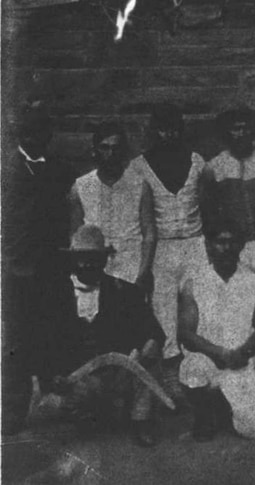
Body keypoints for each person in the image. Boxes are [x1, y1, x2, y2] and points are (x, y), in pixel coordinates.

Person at [1, 106, 76, 435]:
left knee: (54, 336)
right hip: (17, 273)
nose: (35, 140)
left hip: (52, 270)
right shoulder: (6, 168)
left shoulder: (60, 170)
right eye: (29, 134)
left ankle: (56, 404)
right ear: (20, 136)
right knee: (17, 342)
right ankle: (13, 412)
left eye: (42, 133)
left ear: (49, 136)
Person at [56, 225, 165, 447]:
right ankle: (91, 414)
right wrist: (56, 374)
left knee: (147, 363)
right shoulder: (56, 295)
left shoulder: (125, 291)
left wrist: (147, 347)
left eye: (94, 258)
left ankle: (140, 421)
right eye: (81, 258)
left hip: (119, 372)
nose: (87, 264)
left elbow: (154, 332)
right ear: (72, 259)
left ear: (105, 260)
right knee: (64, 405)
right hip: (78, 376)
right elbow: (46, 342)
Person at [132, 103, 209, 401]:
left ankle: (196, 373)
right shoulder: (140, 166)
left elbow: (206, 205)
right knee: (163, 309)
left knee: (196, 307)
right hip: (162, 246)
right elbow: (142, 216)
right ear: (154, 131)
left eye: (174, 128)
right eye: (163, 129)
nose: (169, 134)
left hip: (195, 243)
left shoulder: (197, 161)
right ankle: (170, 374)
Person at [177, 219, 255, 440]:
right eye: (220, 242)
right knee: (192, 368)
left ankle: (224, 406)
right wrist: (220, 353)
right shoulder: (194, 282)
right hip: (209, 360)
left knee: (254, 430)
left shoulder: (254, 281)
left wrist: (245, 356)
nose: (226, 248)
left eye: (232, 242)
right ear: (208, 245)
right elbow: (186, 334)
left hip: (241, 362)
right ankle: (205, 414)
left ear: (241, 245)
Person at [201, 107, 255, 307]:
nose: (241, 133)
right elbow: (208, 213)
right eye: (236, 129)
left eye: (246, 128)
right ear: (227, 132)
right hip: (235, 249)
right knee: (243, 306)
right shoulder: (215, 167)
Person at [70, 122, 156, 288]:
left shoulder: (140, 186)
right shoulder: (80, 187)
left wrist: (142, 273)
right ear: (95, 150)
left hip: (130, 269)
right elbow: (75, 234)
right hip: (93, 270)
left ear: (123, 152)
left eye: (116, 148)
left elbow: (149, 233)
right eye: (104, 147)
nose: (110, 153)